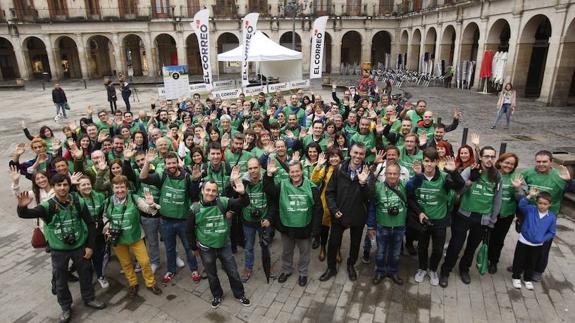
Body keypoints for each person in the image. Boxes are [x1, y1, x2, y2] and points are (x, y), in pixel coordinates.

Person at [16, 174, 106, 323]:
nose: (62, 188)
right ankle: (65, 307)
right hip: (58, 250)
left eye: (65, 184)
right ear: (54, 187)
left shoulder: (78, 202)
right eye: (58, 185)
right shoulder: (48, 205)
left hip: (79, 246)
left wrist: (90, 246)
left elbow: (90, 224)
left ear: (69, 185)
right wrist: (22, 207)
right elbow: (26, 214)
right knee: (60, 280)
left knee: (85, 274)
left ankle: (89, 299)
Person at [439, 146, 502, 288]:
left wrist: (492, 220)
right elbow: (458, 190)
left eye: (492, 157)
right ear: (481, 157)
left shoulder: (497, 175)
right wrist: (470, 182)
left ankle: (464, 269)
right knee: (455, 245)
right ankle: (445, 271)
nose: (489, 159)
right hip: (464, 214)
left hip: (482, 218)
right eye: (486, 156)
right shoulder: (471, 170)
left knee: (471, 247)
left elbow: (497, 199)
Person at [186, 176, 251, 308]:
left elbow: (243, 203)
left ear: (217, 192)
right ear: (202, 191)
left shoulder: (223, 202)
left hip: (223, 245)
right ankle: (217, 295)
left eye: (213, 191)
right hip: (206, 248)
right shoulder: (194, 209)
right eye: (208, 190)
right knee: (211, 274)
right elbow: (188, 231)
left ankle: (239, 294)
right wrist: (193, 248)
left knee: (233, 271)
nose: (210, 193)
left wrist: (243, 193)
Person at [140, 151, 201, 283]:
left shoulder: (186, 177)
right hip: (166, 221)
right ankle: (171, 270)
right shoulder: (161, 176)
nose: (171, 165)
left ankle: (194, 269)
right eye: (169, 163)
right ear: (165, 164)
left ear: (178, 163)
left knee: (188, 246)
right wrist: (147, 162)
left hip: (183, 221)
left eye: (174, 163)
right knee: (169, 247)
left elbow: (194, 196)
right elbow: (143, 177)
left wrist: (195, 180)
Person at [407, 148, 464, 286]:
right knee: (422, 247)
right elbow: (410, 196)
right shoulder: (417, 176)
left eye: (432, 161)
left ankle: (432, 270)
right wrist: (419, 212)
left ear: (437, 162)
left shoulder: (444, 177)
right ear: (422, 161)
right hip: (423, 220)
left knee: (438, 249)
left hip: (440, 220)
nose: (429, 164)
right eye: (426, 161)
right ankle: (422, 268)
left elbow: (459, 185)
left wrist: (454, 171)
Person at [320, 143, 375, 282]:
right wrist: (334, 209)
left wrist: (363, 184)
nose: (358, 156)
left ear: (364, 155)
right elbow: (330, 192)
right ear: (350, 152)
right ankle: (331, 268)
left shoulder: (368, 172)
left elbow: (369, 196)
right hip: (339, 214)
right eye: (355, 153)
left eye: (361, 154)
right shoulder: (339, 169)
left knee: (355, 244)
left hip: (358, 215)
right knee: (333, 243)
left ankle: (351, 265)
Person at [264, 159, 322, 287]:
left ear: (301, 171)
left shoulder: (312, 187)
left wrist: (316, 230)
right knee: (286, 251)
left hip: (305, 227)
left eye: (297, 171)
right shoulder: (282, 185)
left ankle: (303, 273)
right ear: (289, 173)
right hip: (287, 226)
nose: (295, 174)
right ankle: (286, 270)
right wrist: (269, 175)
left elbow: (318, 210)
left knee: (305, 252)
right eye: (292, 172)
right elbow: (269, 191)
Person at [104, 176, 163, 297]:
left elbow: (146, 208)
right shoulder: (109, 201)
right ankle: (133, 283)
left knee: (145, 262)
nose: (120, 190)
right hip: (118, 238)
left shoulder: (134, 198)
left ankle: (150, 283)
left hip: (135, 235)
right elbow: (105, 216)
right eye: (117, 187)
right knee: (125, 263)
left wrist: (151, 204)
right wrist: (107, 227)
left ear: (126, 188)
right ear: (112, 188)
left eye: (122, 187)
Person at [518, 150, 571, 281]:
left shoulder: (559, 175)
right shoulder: (528, 172)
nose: (541, 164)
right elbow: (518, 183)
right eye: (538, 161)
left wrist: (569, 182)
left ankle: (538, 270)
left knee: (543, 244)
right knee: (525, 241)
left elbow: (569, 191)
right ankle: (521, 266)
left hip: (548, 216)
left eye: (544, 162)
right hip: (531, 214)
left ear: (551, 162)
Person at [367, 162, 411, 285]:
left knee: (396, 253)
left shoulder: (405, 186)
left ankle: (393, 271)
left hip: (399, 226)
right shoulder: (377, 187)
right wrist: (371, 226)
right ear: (385, 174)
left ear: (399, 174)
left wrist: (418, 174)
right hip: (382, 226)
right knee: (380, 252)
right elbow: (372, 207)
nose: (392, 176)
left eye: (395, 174)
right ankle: (380, 271)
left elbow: (416, 184)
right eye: (389, 173)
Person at [510, 190, 556, 290]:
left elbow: (552, 232)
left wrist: (542, 239)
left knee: (532, 262)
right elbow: (521, 205)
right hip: (524, 240)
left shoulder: (551, 217)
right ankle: (516, 277)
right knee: (519, 259)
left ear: (550, 204)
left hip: (537, 244)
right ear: (536, 202)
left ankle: (527, 279)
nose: (542, 206)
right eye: (540, 203)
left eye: (545, 204)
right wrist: (529, 196)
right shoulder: (530, 209)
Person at [239, 158, 272, 282]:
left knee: (266, 245)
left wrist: (269, 218)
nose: (253, 171)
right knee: (248, 247)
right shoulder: (242, 181)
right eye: (250, 168)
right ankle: (248, 267)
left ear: (260, 168)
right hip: (248, 222)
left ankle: (268, 266)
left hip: (264, 221)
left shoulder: (266, 180)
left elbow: (273, 200)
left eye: (255, 168)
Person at [487, 153, 520, 274]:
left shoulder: (517, 177)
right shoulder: (492, 173)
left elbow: (521, 198)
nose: (509, 165)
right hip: (489, 213)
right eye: (506, 162)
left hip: (505, 215)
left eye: (512, 164)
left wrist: (517, 188)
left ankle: (493, 261)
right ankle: (485, 255)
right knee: (487, 237)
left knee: (498, 239)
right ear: (500, 162)